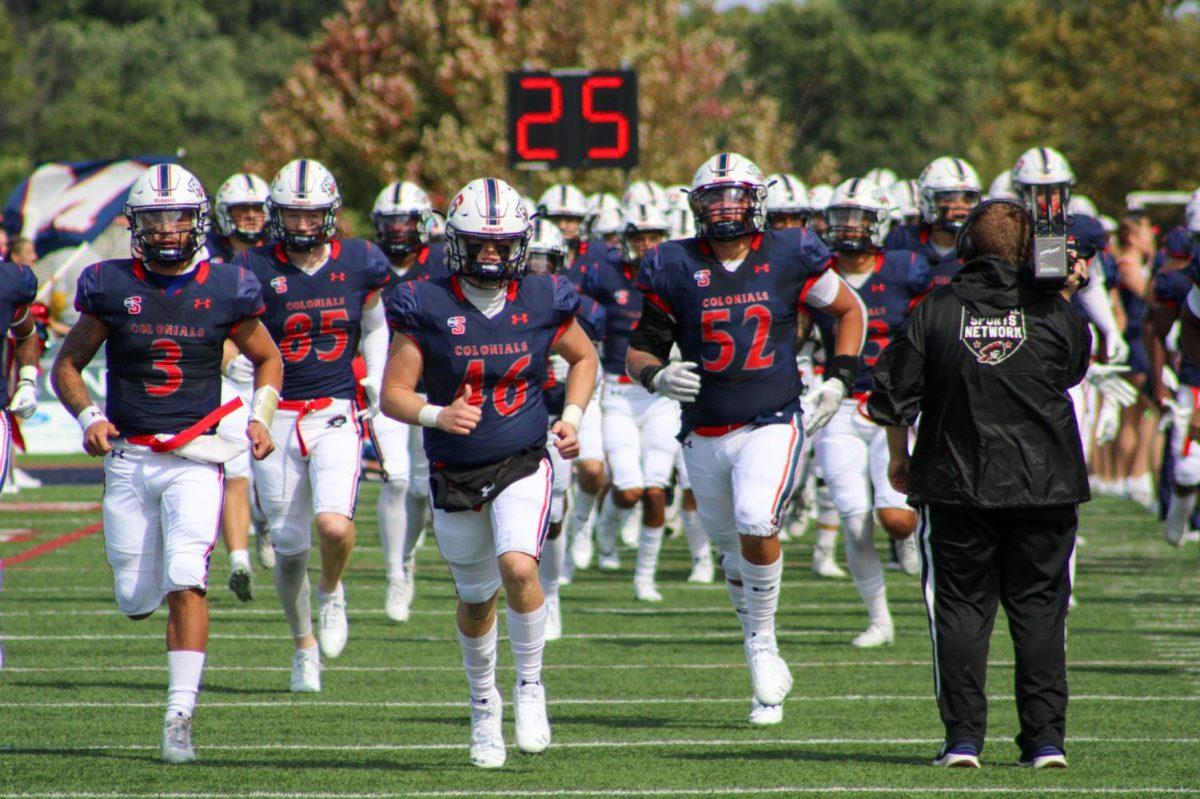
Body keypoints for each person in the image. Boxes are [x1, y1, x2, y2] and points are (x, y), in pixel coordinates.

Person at [49, 163, 283, 764]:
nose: (168, 229)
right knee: (134, 598)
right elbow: (67, 365)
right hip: (129, 454)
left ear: (199, 219)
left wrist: (260, 415)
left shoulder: (228, 286)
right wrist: (88, 418)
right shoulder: (108, 284)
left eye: (178, 215)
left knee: (186, 575)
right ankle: (147, 586)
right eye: (155, 217)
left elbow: (269, 359)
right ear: (137, 224)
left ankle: (179, 716)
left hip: (196, 456)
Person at [626, 152, 867, 726]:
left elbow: (848, 310)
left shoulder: (791, 251)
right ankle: (755, 638)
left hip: (772, 419)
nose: (725, 209)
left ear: (758, 202)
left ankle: (763, 646)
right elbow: (638, 351)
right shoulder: (671, 265)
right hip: (703, 431)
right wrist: (655, 375)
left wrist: (839, 377)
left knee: (758, 520)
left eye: (735, 197)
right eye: (713, 199)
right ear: (696, 206)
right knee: (731, 549)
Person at [381, 177, 598, 768]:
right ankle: (484, 707)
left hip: (522, 457)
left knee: (518, 565)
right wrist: (435, 412)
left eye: (502, 245)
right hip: (454, 469)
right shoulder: (425, 302)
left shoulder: (543, 297)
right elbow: (393, 394)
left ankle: (530, 687)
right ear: (456, 243)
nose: (491, 256)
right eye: (479, 243)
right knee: (477, 601)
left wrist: (572, 415)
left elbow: (584, 357)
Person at [868, 198, 1090, 769]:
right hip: (1046, 484)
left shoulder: (935, 307)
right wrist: (1063, 296)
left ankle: (963, 740)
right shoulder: (1056, 310)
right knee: (1041, 612)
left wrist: (900, 456)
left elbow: (892, 394)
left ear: (966, 246)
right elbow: (1072, 370)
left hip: (955, 482)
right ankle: (1046, 743)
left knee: (961, 611)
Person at [235, 158, 391, 690]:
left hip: (333, 409)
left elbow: (375, 324)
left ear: (331, 214)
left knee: (333, 525)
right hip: (277, 416)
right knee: (287, 542)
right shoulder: (253, 267)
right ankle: (303, 645)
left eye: (312, 215)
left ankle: (331, 590)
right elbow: (236, 330)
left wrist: (375, 378)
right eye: (293, 215)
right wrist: (236, 358)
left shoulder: (360, 259)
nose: (302, 225)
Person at [811, 177, 929, 647]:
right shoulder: (816, 273)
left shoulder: (907, 269)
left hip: (894, 408)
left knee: (898, 518)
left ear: (881, 223)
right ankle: (879, 620)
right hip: (839, 406)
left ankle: (905, 541)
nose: (850, 230)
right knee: (853, 515)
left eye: (860, 220)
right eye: (841, 219)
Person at [582, 202, 680, 599]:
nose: (645, 244)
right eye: (638, 236)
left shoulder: (680, 276)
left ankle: (645, 576)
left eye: (653, 236)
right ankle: (605, 532)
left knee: (656, 489)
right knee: (628, 488)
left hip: (663, 393)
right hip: (619, 391)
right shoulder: (604, 276)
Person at [368, 179, 446, 622]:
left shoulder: (439, 263)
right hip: (381, 387)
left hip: (428, 385)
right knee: (396, 479)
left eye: (406, 220)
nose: (398, 230)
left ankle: (408, 559)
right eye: (391, 221)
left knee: (419, 487)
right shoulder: (366, 265)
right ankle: (396, 573)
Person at [524, 217, 604, 636]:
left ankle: (550, 593)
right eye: (530, 262)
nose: (538, 272)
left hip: (556, 416)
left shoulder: (580, 308)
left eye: (545, 262)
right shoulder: (503, 301)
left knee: (554, 508)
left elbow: (592, 362)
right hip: (511, 414)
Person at [210, 172, 275, 600]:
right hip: (231, 376)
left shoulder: (279, 257)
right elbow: (196, 321)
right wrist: (230, 360)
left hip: (276, 374)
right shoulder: (206, 260)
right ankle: (238, 560)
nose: (250, 218)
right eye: (241, 210)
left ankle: (267, 524)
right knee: (235, 466)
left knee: (271, 472)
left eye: (256, 210)